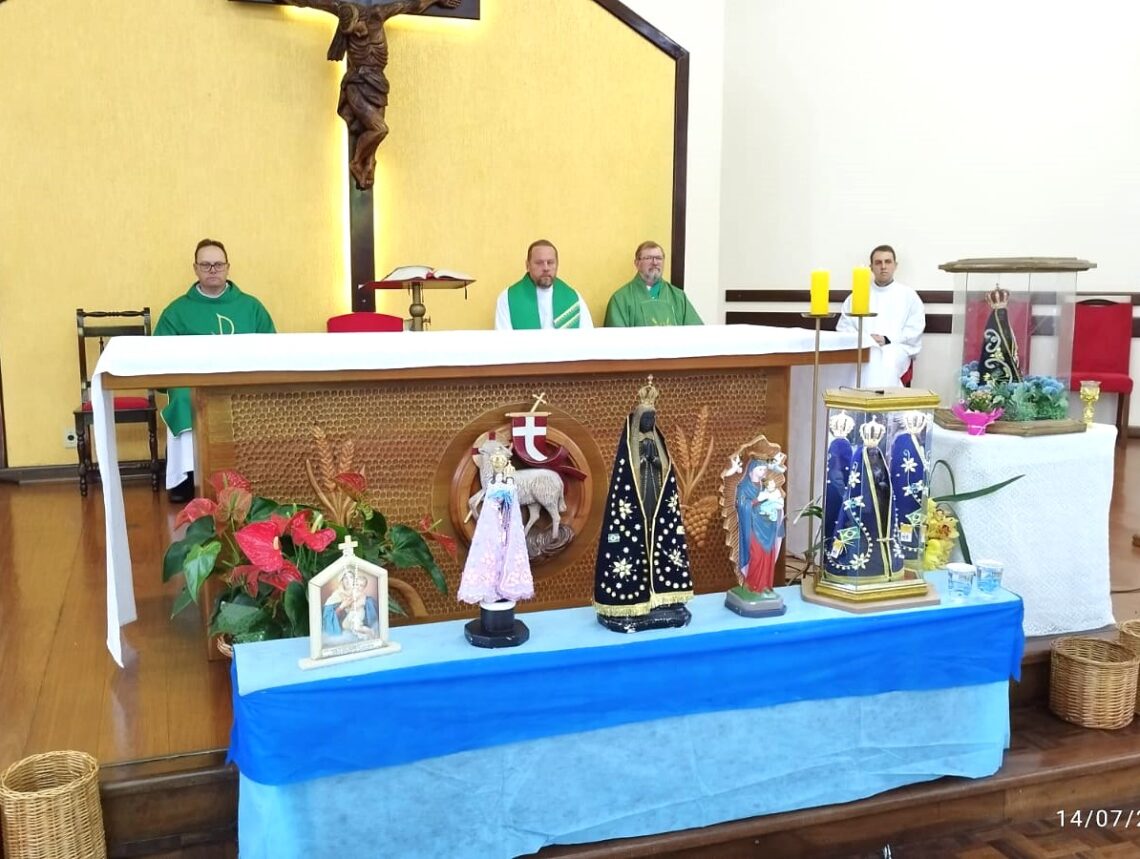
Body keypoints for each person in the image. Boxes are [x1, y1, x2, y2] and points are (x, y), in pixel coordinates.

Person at [287, 0, 462, 190]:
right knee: (380, 129)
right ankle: (356, 163)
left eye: (359, 28)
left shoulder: (378, 14)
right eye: (352, 33)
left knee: (374, 138)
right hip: (357, 83)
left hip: (378, 83)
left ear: (363, 18)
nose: (358, 34)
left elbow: (412, 5)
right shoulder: (340, 9)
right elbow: (311, 2)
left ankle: (367, 168)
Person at [155, 239, 276, 502]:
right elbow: (159, 356)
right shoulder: (176, 311)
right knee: (182, 395)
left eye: (218, 264)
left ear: (228, 267)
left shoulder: (251, 306)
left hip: (243, 380)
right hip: (192, 381)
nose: (212, 269)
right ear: (195, 268)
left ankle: (256, 473)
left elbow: (271, 347)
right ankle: (187, 478)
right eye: (206, 264)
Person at [593, 377, 692, 631]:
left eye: (652, 418)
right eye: (645, 419)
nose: (649, 422)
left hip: (656, 493)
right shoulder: (631, 444)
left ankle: (662, 596)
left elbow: (665, 469)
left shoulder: (657, 441)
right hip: (638, 496)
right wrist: (644, 458)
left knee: (658, 537)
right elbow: (629, 472)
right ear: (638, 420)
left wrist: (654, 460)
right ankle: (634, 600)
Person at [837, 245, 925, 387]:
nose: (883, 267)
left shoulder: (909, 295)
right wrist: (865, 340)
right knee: (865, 360)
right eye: (878, 263)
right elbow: (844, 327)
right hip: (865, 348)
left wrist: (887, 340)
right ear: (871, 267)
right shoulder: (857, 296)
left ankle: (884, 407)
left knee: (885, 361)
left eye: (888, 262)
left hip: (896, 348)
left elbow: (914, 329)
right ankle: (857, 406)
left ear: (895, 265)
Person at [494, 240, 593, 330]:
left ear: (557, 264)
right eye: (539, 263)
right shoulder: (508, 298)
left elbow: (587, 339)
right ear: (527, 266)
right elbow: (504, 344)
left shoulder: (573, 298)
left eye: (550, 262)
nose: (546, 268)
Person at [603, 241, 702, 327]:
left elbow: (697, 335)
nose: (655, 262)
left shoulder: (679, 297)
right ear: (637, 263)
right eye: (649, 258)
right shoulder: (621, 299)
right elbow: (616, 343)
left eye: (658, 258)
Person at [734, 456, 786, 595]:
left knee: (768, 554)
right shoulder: (744, 487)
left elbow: (774, 501)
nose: (763, 471)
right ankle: (753, 585)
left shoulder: (765, 485)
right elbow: (742, 506)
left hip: (767, 526)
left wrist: (778, 506)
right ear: (752, 469)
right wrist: (758, 499)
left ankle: (765, 585)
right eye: (760, 469)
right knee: (756, 555)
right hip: (752, 526)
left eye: (764, 469)